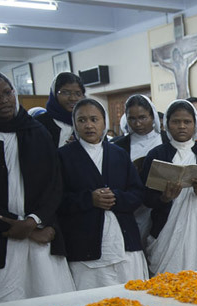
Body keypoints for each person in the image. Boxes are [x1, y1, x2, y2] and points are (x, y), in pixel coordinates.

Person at [0, 69, 74, 305]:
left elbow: (54, 185)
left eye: (7, 92)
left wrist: (33, 221)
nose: (4, 100)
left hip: (41, 236)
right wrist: (21, 227)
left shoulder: (37, 132)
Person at [58, 99, 148, 289]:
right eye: (82, 120)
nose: (89, 125)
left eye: (94, 119)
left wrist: (115, 197)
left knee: (133, 300)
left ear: (104, 122)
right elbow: (57, 200)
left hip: (124, 244)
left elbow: (137, 193)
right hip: (85, 247)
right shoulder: (63, 156)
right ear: (74, 124)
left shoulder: (118, 154)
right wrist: (89, 199)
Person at [140, 100, 197, 274]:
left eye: (187, 122)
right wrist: (164, 198)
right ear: (167, 124)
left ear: (195, 124)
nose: (182, 126)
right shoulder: (157, 154)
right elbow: (145, 197)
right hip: (167, 232)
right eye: (176, 122)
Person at [113, 94, 167, 245]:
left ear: (152, 116)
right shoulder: (119, 145)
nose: (137, 124)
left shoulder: (166, 139)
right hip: (133, 207)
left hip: (162, 202)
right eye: (132, 119)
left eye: (143, 117)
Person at [36, 72, 86, 148]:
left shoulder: (88, 122)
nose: (72, 98)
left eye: (78, 93)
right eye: (66, 93)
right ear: (54, 94)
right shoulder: (39, 124)